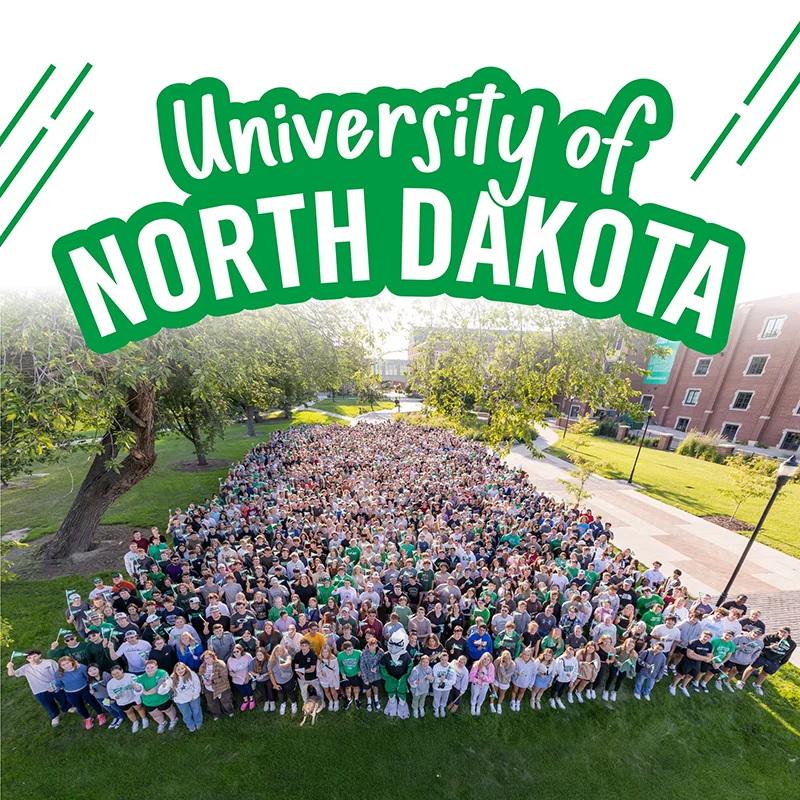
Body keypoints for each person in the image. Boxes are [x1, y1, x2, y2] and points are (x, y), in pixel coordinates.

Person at [6, 650, 72, 727]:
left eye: (35, 656)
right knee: (47, 704)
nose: (33, 659)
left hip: (54, 686)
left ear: (39, 655)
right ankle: (55, 716)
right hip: (39, 690)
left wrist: (59, 684)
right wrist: (10, 667)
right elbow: (11, 674)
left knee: (62, 697)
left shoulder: (50, 662)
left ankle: (67, 708)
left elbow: (59, 672)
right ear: (27, 660)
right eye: (29, 658)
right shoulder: (26, 668)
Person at [738, 626, 796, 695]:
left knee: (765, 673)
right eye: (781, 631)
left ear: (788, 634)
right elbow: (761, 648)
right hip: (764, 656)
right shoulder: (770, 637)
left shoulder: (792, 644)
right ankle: (742, 681)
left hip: (775, 661)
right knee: (752, 668)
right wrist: (770, 647)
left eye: (784, 632)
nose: (782, 633)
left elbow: (788, 655)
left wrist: (781, 664)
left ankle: (757, 685)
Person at [54, 656, 107, 729]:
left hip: (84, 689)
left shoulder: (81, 668)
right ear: (60, 666)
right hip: (70, 693)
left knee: (92, 702)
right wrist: (56, 688)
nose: (66, 666)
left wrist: (91, 688)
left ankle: (100, 714)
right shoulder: (58, 673)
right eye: (63, 665)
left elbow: (89, 678)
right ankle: (88, 718)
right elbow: (59, 684)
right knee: (79, 706)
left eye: (67, 663)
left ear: (71, 661)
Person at [132, 660, 178, 733]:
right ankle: (162, 723)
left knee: (168, 710)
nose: (149, 669)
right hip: (149, 702)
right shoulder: (141, 678)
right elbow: (138, 690)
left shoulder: (162, 673)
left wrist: (146, 693)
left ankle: (173, 720)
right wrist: (137, 689)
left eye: (152, 667)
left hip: (162, 699)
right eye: (147, 668)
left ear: (157, 667)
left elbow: (159, 687)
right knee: (155, 714)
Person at [670, 630, 714, 698]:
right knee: (680, 674)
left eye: (708, 637)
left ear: (710, 639)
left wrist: (697, 655)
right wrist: (703, 658)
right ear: (701, 635)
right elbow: (689, 655)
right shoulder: (693, 642)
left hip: (697, 663)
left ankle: (683, 686)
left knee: (690, 676)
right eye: (705, 636)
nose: (705, 638)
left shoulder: (709, 645)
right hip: (687, 661)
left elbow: (709, 656)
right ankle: (673, 686)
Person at [106, 663, 148, 732]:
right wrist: (114, 696)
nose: (116, 675)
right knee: (129, 712)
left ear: (122, 670)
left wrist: (137, 688)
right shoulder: (110, 683)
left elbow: (138, 685)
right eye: (113, 674)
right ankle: (135, 722)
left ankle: (144, 719)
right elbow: (110, 693)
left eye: (117, 672)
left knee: (139, 708)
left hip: (134, 697)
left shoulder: (131, 676)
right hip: (122, 701)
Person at [163, 662, 203, 731]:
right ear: (175, 671)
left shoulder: (191, 674)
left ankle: (198, 722)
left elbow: (197, 684)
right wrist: (163, 686)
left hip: (193, 697)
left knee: (196, 710)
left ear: (185, 668)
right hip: (180, 700)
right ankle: (190, 725)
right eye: (178, 669)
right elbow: (162, 691)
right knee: (186, 713)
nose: (181, 670)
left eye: (182, 668)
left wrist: (195, 695)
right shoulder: (172, 679)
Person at [87, 663, 126, 728]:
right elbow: (90, 688)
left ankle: (121, 716)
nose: (93, 672)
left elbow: (113, 686)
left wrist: (112, 698)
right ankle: (116, 717)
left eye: (94, 669)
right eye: (90, 671)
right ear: (88, 672)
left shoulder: (105, 675)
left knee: (115, 707)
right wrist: (91, 691)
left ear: (98, 668)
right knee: (109, 708)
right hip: (100, 698)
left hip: (108, 696)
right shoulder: (90, 679)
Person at [199, 650, 235, 720]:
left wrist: (212, 681)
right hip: (208, 688)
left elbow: (224, 678)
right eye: (206, 658)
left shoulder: (220, 664)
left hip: (222, 687)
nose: (208, 659)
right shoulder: (202, 667)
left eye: (210, 657)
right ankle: (216, 713)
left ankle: (229, 711)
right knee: (211, 703)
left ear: (214, 657)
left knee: (226, 701)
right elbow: (200, 676)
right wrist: (203, 681)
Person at [269, 644, 298, 715]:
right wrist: (275, 684)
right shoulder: (271, 661)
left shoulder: (287, 656)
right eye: (277, 651)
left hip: (288, 680)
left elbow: (288, 663)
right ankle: (283, 703)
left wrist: (282, 665)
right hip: (278, 681)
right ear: (274, 652)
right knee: (280, 693)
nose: (278, 652)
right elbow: (271, 674)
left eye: (280, 651)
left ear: (283, 652)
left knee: (291, 692)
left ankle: (294, 703)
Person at [228, 643, 255, 710]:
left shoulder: (247, 656)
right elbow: (230, 671)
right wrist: (231, 674)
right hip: (237, 679)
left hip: (246, 676)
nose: (236, 653)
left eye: (237, 651)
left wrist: (248, 676)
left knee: (248, 688)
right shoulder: (230, 660)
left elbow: (251, 666)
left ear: (241, 651)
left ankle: (251, 699)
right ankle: (245, 700)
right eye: (234, 652)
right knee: (241, 690)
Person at [359, 636, 384, 712]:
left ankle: (376, 699)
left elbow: (382, 663)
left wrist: (377, 668)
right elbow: (362, 667)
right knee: (368, 688)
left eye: (373, 645)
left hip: (377, 674)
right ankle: (369, 701)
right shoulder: (364, 654)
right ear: (368, 645)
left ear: (376, 645)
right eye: (370, 645)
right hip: (367, 675)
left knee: (376, 686)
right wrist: (365, 679)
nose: (371, 647)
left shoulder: (381, 652)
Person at [293, 638, 321, 702]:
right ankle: (306, 704)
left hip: (313, 677)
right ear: (300, 646)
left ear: (309, 646)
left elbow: (312, 669)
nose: (304, 648)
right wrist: (300, 675)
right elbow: (296, 668)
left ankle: (321, 702)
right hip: (302, 678)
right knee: (304, 692)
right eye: (302, 646)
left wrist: (302, 670)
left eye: (306, 645)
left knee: (318, 690)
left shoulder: (313, 655)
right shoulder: (297, 655)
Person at [336, 640, 362, 710]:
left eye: (351, 649)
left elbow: (361, 662)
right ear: (344, 650)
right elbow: (340, 665)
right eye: (347, 650)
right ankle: (349, 699)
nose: (350, 651)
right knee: (347, 688)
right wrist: (342, 673)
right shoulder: (340, 655)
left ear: (352, 647)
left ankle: (356, 698)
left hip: (355, 673)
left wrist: (360, 669)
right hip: (346, 674)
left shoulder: (358, 653)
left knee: (356, 687)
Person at [431, 651, 457, 717]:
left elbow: (453, 681)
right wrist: (439, 679)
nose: (444, 661)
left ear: (448, 659)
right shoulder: (436, 667)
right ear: (440, 659)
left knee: (445, 698)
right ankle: (436, 708)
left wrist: (445, 681)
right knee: (436, 698)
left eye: (445, 659)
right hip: (437, 687)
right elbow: (434, 679)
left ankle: (442, 707)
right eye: (442, 659)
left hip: (447, 687)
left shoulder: (451, 667)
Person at [250, 647, 275, 712]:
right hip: (259, 679)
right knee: (263, 691)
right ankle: (266, 702)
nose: (259, 656)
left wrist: (264, 675)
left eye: (261, 655)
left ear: (264, 654)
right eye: (257, 655)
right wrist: (257, 675)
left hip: (268, 677)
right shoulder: (253, 661)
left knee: (270, 690)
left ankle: (272, 702)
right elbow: (250, 671)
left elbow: (271, 670)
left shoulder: (269, 659)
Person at [491, 649, 515, 713]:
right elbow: (493, 669)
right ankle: (491, 703)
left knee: (502, 694)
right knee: (494, 692)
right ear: (503, 658)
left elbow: (506, 675)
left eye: (509, 658)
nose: (508, 660)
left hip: (505, 681)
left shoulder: (512, 665)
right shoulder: (498, 661)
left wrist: (502, 667)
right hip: (497, 679)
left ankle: (499, 704)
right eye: (506, 658)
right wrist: (493, 678)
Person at [409, 654, 433, 718]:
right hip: (417, 689)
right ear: (420, 662)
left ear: (429, 662)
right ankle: (415, 709)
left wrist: (430, 678)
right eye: (423, 662)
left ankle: (421, 707)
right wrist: (416, 682)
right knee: (415, 699)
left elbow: (431, 680)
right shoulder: (416, 670)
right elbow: (410, 680)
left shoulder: (429, 669)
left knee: (423, 699)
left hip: (425, 688)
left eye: (427, 662)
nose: (425, 664)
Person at [318, 644, 341, 711]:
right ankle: (330, 701)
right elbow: (318, 669)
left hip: (332, 679)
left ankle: (336, 701)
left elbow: (336, 671)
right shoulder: (320, 659)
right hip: (324, 679)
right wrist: (321, 674)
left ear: (329, 652)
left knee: (333, 691)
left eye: (326, 652)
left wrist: (337, 681)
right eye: (323, 652)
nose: (325, 654)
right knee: (326, 691)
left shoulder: (333, 659)